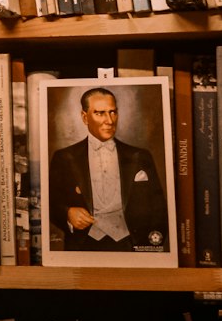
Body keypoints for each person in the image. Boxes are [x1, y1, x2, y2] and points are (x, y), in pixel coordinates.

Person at [47, 86, 168, 253]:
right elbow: (50, 203)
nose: (110, 121)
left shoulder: (140, 156)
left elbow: (158, 208)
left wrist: (151, 248)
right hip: (83, 246)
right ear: (84, 117)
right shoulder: (64, 157)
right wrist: (67, 213)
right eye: (100, 113)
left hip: (131, 245)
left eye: (113, 112)